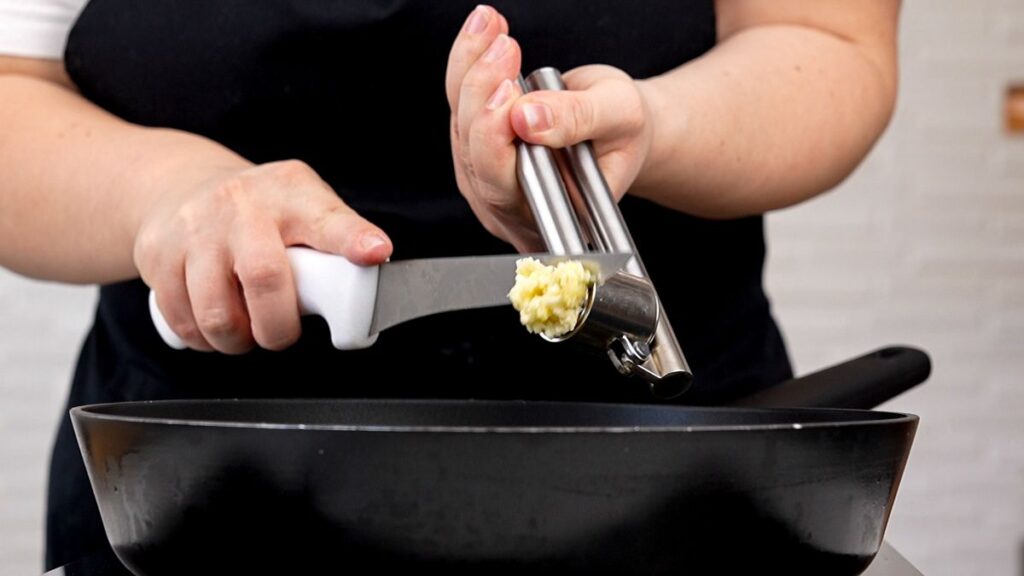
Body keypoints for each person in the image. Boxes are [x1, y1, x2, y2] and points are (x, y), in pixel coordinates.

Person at [0, 0, 901, 569]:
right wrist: (167, 196)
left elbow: (825, 38)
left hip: (665, 484)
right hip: (200, 502)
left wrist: (654, 127)